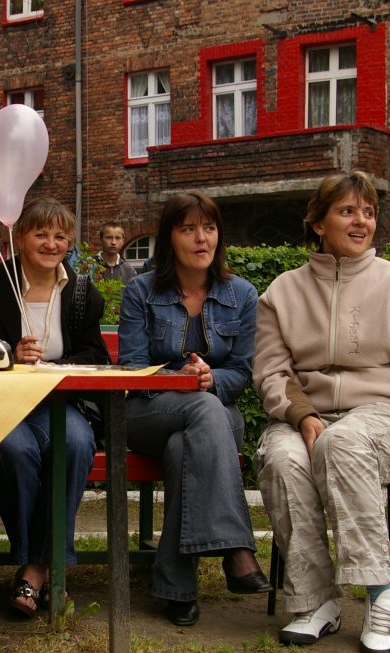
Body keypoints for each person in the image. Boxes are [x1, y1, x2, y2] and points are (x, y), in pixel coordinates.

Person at [253, 171, 390, 653]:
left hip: (382, 417)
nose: (361, 220)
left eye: (368, 212)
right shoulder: (282, 291)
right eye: (347, 211)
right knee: (280, 459)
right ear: (318, 223)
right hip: (305, 416)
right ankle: (316, 601)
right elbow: (271, 372)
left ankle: (382, 593)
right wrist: (300, 416)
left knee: (343, 443)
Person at [117, 191, 271, 627]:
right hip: (148, 412)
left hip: (216, 416)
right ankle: (236, 551)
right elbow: (131, 369)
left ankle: (176, 588)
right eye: (188, 229)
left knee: (188, 446)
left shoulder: (240, 294)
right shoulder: (140, 292)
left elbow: (242, 371)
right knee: (202, 410)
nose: (201, 238)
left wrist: (212, 379)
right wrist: (185, 380)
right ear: (170, 238)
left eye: (209, 228)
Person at [0, 198, 109, 616]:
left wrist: (60, 365)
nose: (51, 244)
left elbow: (96, 355)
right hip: (6, 404)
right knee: (15, 450)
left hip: (62, 402)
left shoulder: (83, 291)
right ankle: (48, 567)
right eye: (41, 234)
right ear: (20, 237)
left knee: (73, 443)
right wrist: (8, 353)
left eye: (60, 236)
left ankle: (35, 569)